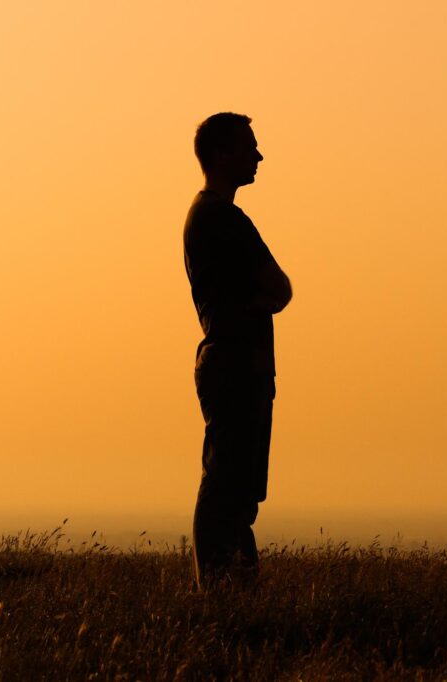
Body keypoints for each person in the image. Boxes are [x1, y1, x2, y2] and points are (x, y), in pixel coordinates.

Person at [182, 113, 292, 588]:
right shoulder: (222, 219)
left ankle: (236, 585)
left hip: (234, 362)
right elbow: (279, 286)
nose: (259, 156)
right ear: (224, 155)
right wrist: (259, 301)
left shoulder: (209, 216)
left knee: (238, 485)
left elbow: (277, 288)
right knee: (229, 481)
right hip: (235, 364)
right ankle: (220, 587)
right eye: (250, 147)